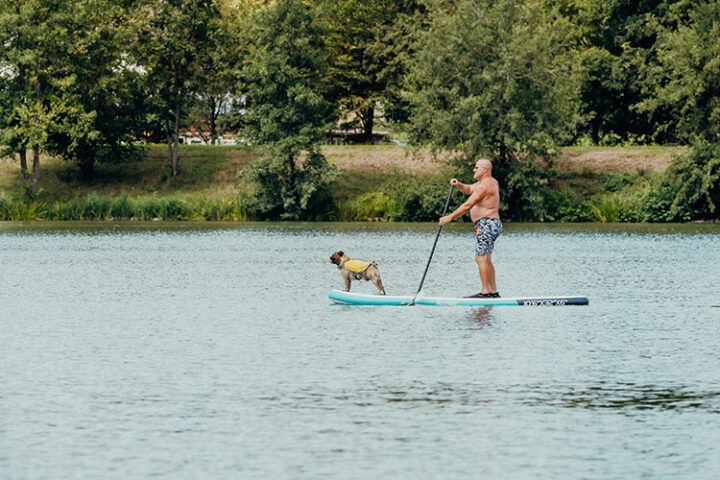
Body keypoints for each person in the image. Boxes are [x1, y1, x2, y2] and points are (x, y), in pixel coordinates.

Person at [439, 158, 502, 298]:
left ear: (484, 169)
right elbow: (469, 189)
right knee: (486, 258)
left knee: (481, 257)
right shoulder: (484, 183)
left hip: (486, 224)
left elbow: (468, 205)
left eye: (476, 167)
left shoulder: (486, 185)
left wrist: (449, 217)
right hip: (491, 224)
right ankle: (493, 292)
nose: (474, 170)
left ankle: (485, 292)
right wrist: (459, 184)